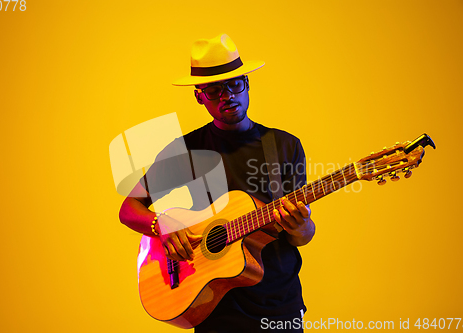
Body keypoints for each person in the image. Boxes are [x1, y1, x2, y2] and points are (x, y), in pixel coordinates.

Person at [119, 34, 316, 332]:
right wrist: (161, 224)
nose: (227, 95)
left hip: (280, 305)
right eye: (214, 90)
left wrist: (301, 226)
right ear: (199, 97)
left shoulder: (284, 145)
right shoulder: (186, 150)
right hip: (215, 305)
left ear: (247, 84)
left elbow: (301, 236)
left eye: (234, 84)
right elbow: (128, 208)